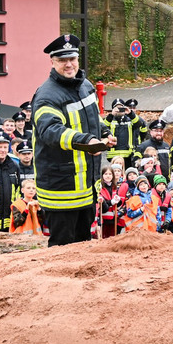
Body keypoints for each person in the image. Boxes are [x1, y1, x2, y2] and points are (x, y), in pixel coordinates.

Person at [32, 34, 114, 246]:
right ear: (52, 62)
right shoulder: (46, 95)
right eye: (62, 60)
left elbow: (93, 118)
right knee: (62, 248)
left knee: (83, 244)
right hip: (60, 189)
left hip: (86, 188)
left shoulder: (85, 85)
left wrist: (104, 133)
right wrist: (87, 140)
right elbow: (50, 130)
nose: (69, 64)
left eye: (72, 59)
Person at [95, 167, 126, 238]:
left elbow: (118, 205)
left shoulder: (114, 187)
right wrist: (111, 202)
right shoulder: (100, 188)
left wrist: (118, 201)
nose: (108, 176)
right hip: (103, 219)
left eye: (110, 174)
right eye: (106, 174)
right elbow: (102, 204)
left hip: (113, 219)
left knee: (112, 238)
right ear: (102, 175)